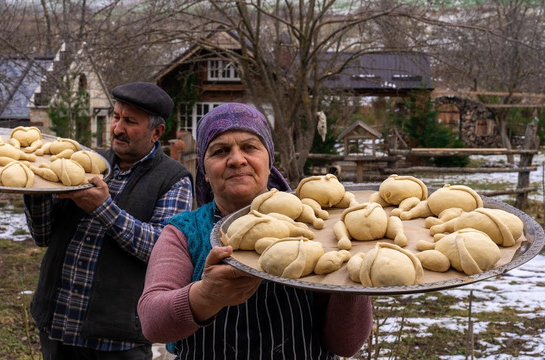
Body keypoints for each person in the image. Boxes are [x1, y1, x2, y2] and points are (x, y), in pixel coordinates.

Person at [137, 103, 373, 359]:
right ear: (204, 171)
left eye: (249, 147)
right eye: (220, 151)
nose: (237, 159)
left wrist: (351, 279)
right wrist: (205, 297)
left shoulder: (317, 227)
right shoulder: (184, 233)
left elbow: (345, 345)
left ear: (269, 161)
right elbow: (151, 322)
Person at [24, 82, 193, 360]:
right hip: (57, 324)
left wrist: (104, 208)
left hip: (117, 341)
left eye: (130, 121)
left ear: (157, 132)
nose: (117, 128)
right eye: (116, 117)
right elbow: (44, 237)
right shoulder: (88, 161)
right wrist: (35, 192)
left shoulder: (174, 179)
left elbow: (162, 250)